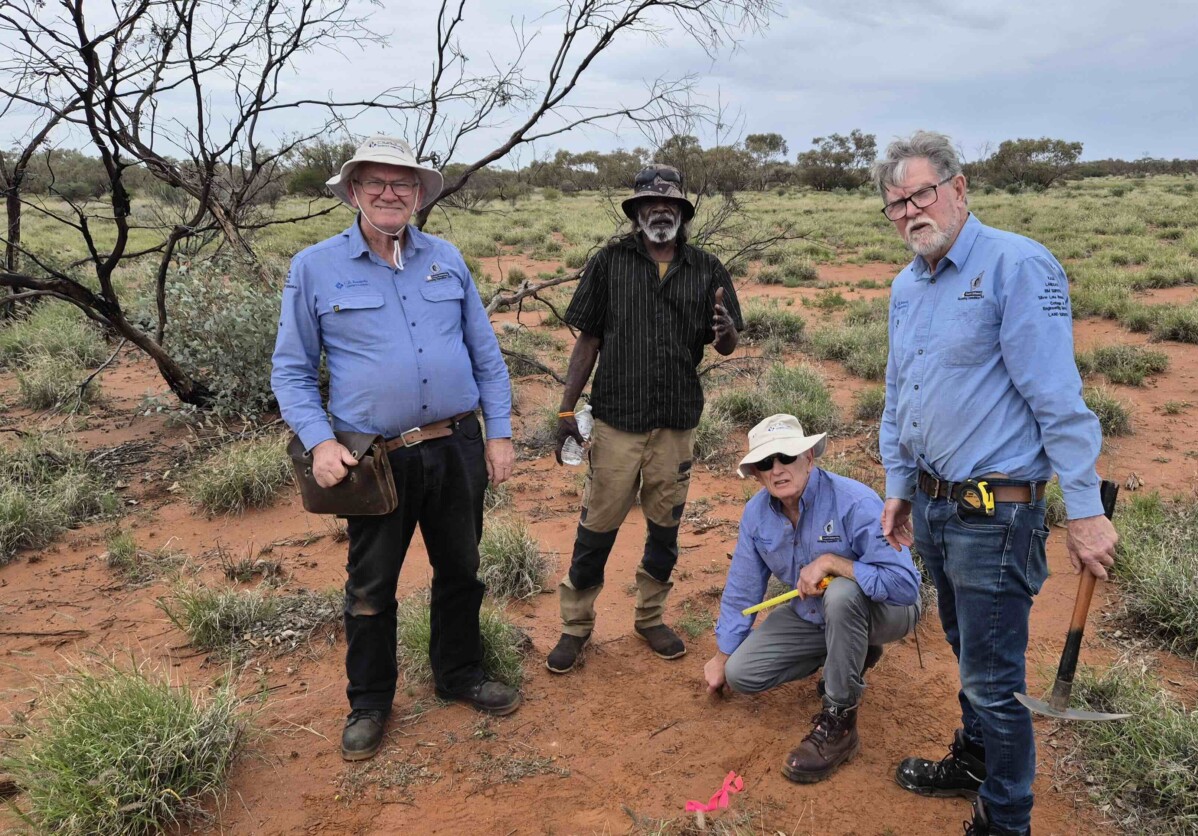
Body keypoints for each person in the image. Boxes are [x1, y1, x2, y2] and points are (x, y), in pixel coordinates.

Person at [874, 131, 1119, 836]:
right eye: (897, 203)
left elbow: (1057, 398)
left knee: (993, 675)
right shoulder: (906, 283)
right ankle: (976, 759)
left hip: (995, 513)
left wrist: (1083, 509)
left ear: (959, 188)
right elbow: (900, 394)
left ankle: (1004, 820)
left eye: (922, 193)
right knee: (967, 647)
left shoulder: (1017, 265)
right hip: (933, 505)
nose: (911, 210)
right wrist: (899, 484)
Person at [271, 135, 519, 762]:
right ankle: (371, 702)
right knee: (371, 586)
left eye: (401, 183)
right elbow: (293, 371)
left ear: (418, 194)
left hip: (458, 445)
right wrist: (319, 440)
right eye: (374, 183)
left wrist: (500, 433)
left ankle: (459, 674)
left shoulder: (447, 258)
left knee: (461, 570)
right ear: (353, 192)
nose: (389, 193)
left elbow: (485, 354)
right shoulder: (315, 267)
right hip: (374, 459)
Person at [546, 164, 743, 674]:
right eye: (651, 205)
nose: (661, 212)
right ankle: (575, 627)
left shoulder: (707, 268)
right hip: (617, 420)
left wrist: (724, 332)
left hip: (676, 420)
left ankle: (650, 617)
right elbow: (588, 338)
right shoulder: (610, 263)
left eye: (671, 205)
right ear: (636, 213)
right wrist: (567, 408)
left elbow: (726, 342)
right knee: (597, 526)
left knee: (665, 526)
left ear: (682, 212)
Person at [702, 414, 920, 784]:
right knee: (742, 674)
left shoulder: (854, 502)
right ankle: (853, 652)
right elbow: (743, 587)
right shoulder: (756, 515)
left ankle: (840, 721)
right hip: (813, 614)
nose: (777, 469)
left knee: (841, 592)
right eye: (765, 463)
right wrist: (723, 654)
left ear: (809, 458)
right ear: (756, 474)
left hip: (888, 610)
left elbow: (905, 585)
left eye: (787, 456)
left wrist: (835, 562)